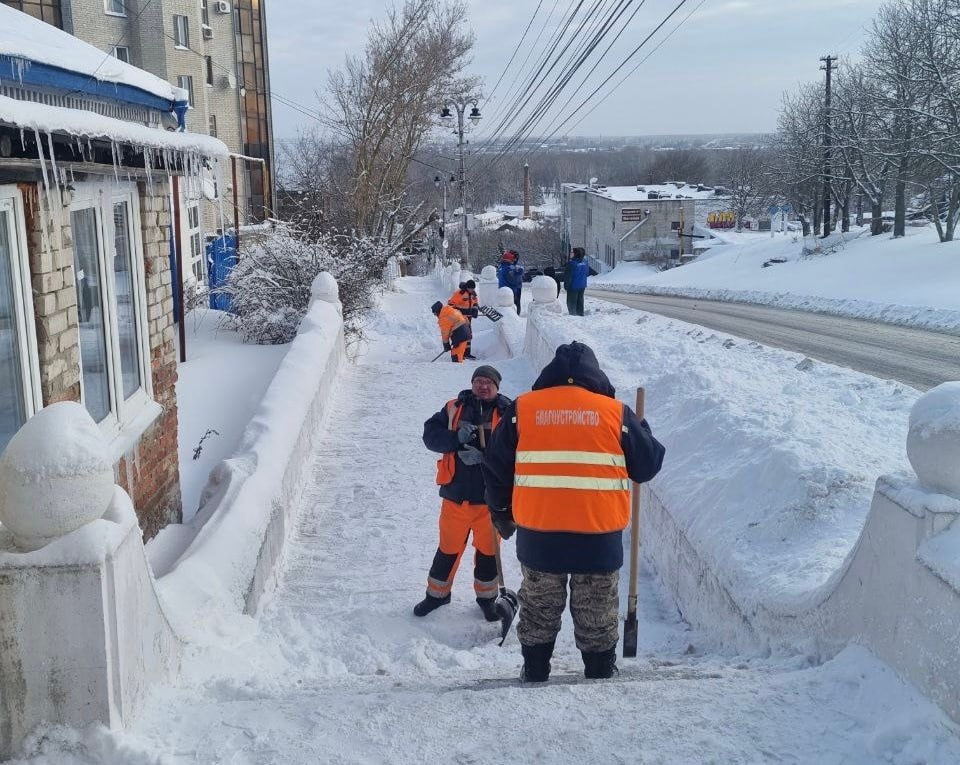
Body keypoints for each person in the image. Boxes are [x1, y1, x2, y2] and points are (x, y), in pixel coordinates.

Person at [482, 341, 665, 682]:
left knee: (538, 609)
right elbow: (648, 465)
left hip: (539, 536)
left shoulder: (524, 409)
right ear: (594, 375)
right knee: (597, 613)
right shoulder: (615, 412)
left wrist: (502, 512)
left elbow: (495, 466)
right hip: (598, 538)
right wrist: (643, 430)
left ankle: (535, 672)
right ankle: (598, 675)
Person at [416, 366, 513, 620]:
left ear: (497, 387)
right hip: (456, 497)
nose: (483, 386)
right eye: (478, 381)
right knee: (448, 549)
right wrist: (455, 439)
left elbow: (518, 450)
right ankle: (436, 595)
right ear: (472, 384)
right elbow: (430, 436)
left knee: (488, 553)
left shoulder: (509, 412)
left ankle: (488, 599)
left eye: (488, 382)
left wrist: (487, 457)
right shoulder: (453, 408)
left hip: (490, 501)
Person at [448, 281, 479, 360]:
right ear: (467, 287)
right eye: (470, 289)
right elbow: (451, 304)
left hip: (468, 318)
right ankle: (460, 353)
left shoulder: (473, 294)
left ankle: (467, 353)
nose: (472, 290)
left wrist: (475, 310)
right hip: (460, 318)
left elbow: (475, 302)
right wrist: (458, 312)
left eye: (473, 289)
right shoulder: (460, 293)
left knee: (468, 335)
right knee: (462, 335)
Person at [563, 247, 590, 317]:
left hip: (573, 286)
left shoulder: (571, 263)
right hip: (582, 285)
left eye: (572, 252)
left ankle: (573, 318)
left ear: (576, 254)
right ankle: (580, 315)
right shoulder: (585, 262)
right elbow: (587, 273)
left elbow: (568, 276)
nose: (570, 253)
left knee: (571, 303)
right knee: (580, 302)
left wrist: (566, 286)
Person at [497, 250, 524, 315]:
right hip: (511, 291)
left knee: (504, 307)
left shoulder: (501, 267)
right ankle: (515, 318)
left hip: (502, 290)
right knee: (512, 308)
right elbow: (513, 280)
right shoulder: (509, 268)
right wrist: (518, 273)